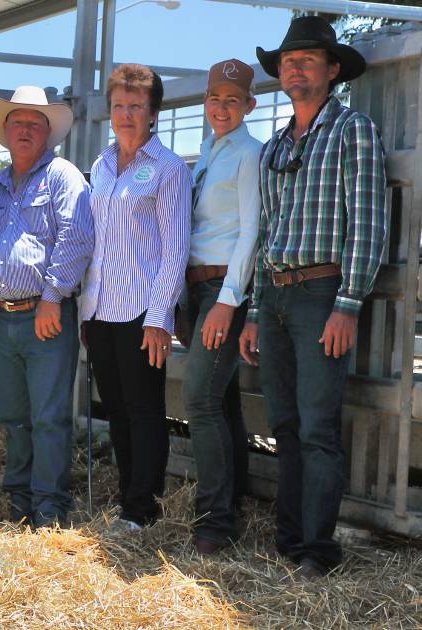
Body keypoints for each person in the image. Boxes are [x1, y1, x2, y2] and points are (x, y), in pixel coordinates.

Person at [239, 16, 387, 579]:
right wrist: (254, 312)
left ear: (331, 71)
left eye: (306, 60)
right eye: (286, 61)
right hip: (275, 296)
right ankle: (290, 539)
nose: (293, 67)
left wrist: (348, 303)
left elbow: (369, 222)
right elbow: (267, 232)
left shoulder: (354, 130)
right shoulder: (277, 145)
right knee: (284, 421)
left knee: (318, 427)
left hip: (323, 293)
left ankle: (318, 551)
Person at [80, 64, 191, 530]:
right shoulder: (101, 166)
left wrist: (159, 317)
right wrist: (84, 307)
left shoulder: (168, 169)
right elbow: (91, 238)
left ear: (153, 113)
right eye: (119, 106)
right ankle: (130, 498)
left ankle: (143, 509)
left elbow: (175, 248)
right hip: (100, 307)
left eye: (136, 107)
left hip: (142, 310)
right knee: (117, 409)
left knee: (145, 411)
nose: (126, 114)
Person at [0, 86, 93, 527]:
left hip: (43, 313)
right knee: (13, 415)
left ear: (48, 133)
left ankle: (49, 508)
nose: (25, 130)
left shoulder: (62, 176)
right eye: (18, 122)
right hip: (0, 315)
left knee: (47, 416)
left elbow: (78, 236)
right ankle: (19, 502)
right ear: (5, 132)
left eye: (34, 123)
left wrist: (52, 297)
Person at [179, 59, 261, 555]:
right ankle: (234, 502)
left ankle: (214, 522)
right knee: (221, 398)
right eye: (215, 98)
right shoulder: (207, 152)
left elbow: (251, 230)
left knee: (200, 400)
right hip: (197, 288)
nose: (222, 107)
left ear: (249, 105)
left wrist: (227, 302)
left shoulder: (250, 154)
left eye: (233, 100)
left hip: (221, 290)